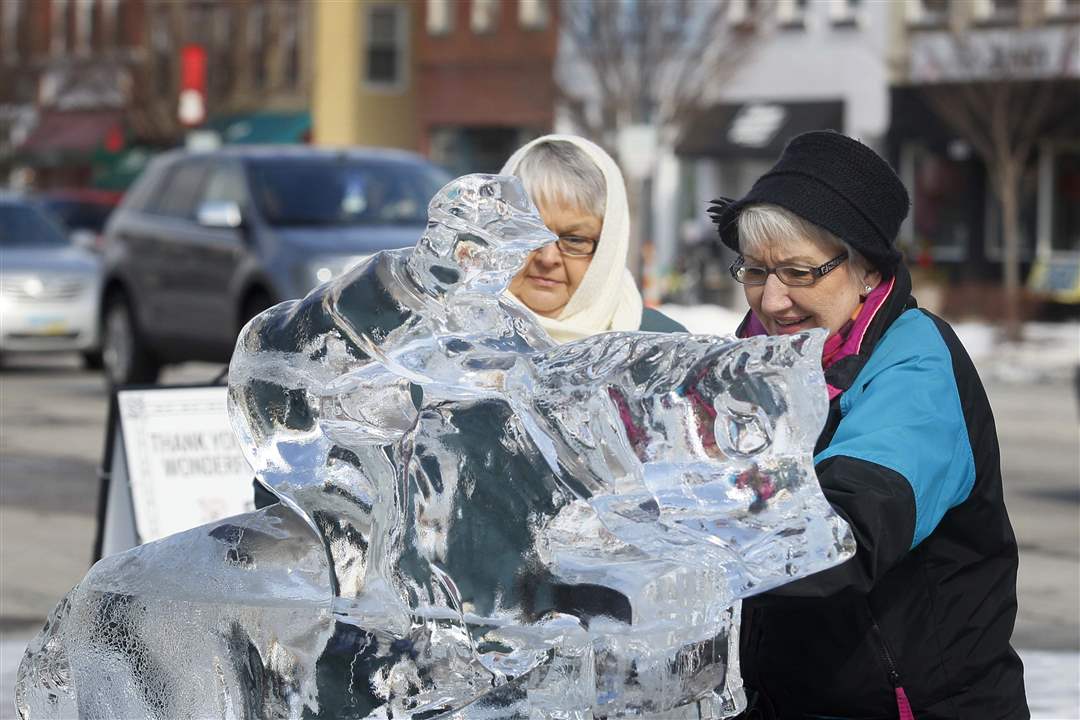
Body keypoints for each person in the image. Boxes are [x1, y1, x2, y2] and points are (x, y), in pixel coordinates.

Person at [708, 131, 1027, 719]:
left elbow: (848, 529)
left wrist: (682, 546)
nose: (773, 301)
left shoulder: (912, 359)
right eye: (755, 271)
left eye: (800, 272)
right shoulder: (750, 366)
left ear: (867, 271)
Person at [500, 134, 685, 341]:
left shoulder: (664, 346)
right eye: (529, 232)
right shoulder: (461, 338)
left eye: (575, 240)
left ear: (608, 247)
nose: (547, 258)